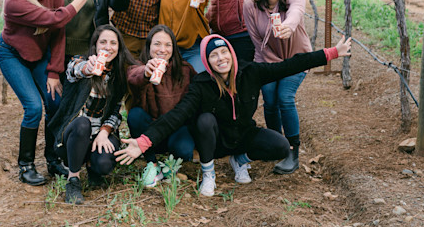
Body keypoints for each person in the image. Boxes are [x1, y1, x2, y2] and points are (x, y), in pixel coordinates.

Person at [116, 34, 352, 197]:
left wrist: (332, 53)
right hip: (215, 142)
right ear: (207, 62)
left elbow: (290, 65)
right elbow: (177, 115)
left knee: (281, 147)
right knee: (204, 119)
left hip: (243, 135)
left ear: (231, 53)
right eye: (213, 56)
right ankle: (208, 174)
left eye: (223, 52)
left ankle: (241, 160)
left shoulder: (250, 72)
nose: (220, 59)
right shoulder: (201, 85)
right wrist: (144, 142)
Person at [0, 0, 99, 186]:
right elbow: (56, 19)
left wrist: (54, 72)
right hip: (13, 55)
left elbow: (57, 33)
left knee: (54, 101)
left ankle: (52, 159)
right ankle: (26, 165)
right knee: (33, 107)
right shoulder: (14, 0)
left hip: (40, 54)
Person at [48, 25, 137, 204]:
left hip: (98, 135)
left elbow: (116, 112)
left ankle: (91, 165)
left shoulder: (118, 76)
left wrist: (104, 132)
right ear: (95, 45)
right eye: (103, 42)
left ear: (119, 47)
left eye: (113, 43)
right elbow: (75, 70)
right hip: (72, 136)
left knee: (103, 165)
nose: (108, 47)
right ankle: (73, 179)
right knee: (82, 124)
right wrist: (88, 69)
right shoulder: (79, 62)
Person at [243, 0, 310, 174]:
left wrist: (288, 26)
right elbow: (256, 40)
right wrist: (269, 69)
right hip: (268, 61)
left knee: (285, 98)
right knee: (269, 101)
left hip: (296, 59)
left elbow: (296, 13)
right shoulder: (250, 4)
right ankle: (277, 144)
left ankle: (293, 152)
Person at [127, 25, 196, 187]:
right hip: (149, 133)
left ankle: (171, 167)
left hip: (175, 132)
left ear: (173, 48)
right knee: (135, 115)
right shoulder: (139, 67)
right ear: (149, 46)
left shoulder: (185, 70)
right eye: (157, 44)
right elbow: (132, 77)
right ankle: (153, 164)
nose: (162, 49)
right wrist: (146, 72)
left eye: (167, 45)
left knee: (185, 149)